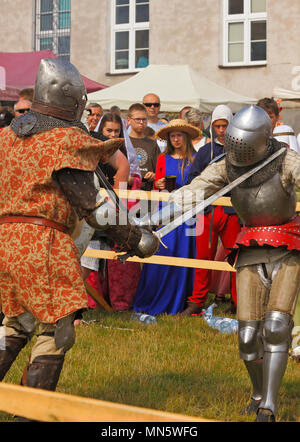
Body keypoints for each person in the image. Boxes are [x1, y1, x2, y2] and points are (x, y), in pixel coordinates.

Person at [0, 58, 158, 403]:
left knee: (16, 323)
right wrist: (138, 239)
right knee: (56, 329)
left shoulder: (7, 137)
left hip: (6, 245)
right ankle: (34, 413)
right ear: (73, 100)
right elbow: (95, 210)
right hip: (44, 245)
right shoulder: (63, 140)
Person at [167, 105, 300, 422]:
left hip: (287, 245)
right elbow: (194, 191)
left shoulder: (286, 159)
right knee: (247, 336)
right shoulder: (225, 165)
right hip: (250, 246)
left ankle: (269, 405)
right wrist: (157, 214)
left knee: (277, 327)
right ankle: (257, 394)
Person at [133, 119, 199, 315]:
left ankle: (179, 300)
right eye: (173, 135)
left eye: (179, 135)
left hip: (187, 211)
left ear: (186, 137)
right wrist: (158, 184)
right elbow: (156, 188)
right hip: (165, 210)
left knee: (182, 253)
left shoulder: (195, 159)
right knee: (162, 252)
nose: (176, 139)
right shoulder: (162, 158)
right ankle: (155, 296)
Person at [181, 105, 240, 316]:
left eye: (225, 126)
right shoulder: (206, 151)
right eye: (218, 126)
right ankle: (197, 302)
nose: (222, 130)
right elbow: (192, 179)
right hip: (207, 212)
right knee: (202, 258)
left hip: (232, 212)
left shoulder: (241, 149)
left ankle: (238, 301)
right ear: (212, 126)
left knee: (236, 257)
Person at [81, 112, 143, 312]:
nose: (113, 135)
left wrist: (115, 201)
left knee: (87, 262)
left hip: (98, 209)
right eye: (109, 130)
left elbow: (123, 165)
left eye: (117, 131)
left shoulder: (99, 143)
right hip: (75, 206)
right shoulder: (68, 136)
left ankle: (73, 309)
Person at [128, 103, 161, 193]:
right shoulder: (124, 142)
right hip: (127, 192)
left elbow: (160, 170)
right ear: (129, 120)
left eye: (144, 119)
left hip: (148, 192)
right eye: (138, 119)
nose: (141, 122)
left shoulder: (152, 144)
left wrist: (154, 175)